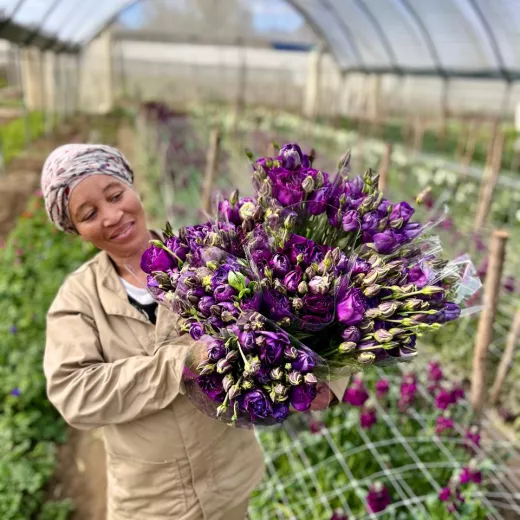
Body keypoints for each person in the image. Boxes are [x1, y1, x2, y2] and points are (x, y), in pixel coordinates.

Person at [41, 143, 348, 520]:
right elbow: (74, 393)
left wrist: (329, 381)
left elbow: (295, 297)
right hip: (151, 503)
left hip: (230, 481)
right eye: (89, 214)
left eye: (115, 195)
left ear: (133, 189)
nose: (112, 215)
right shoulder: (79, 299)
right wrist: (181, 362)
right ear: (76, 230)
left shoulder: (205, 254)